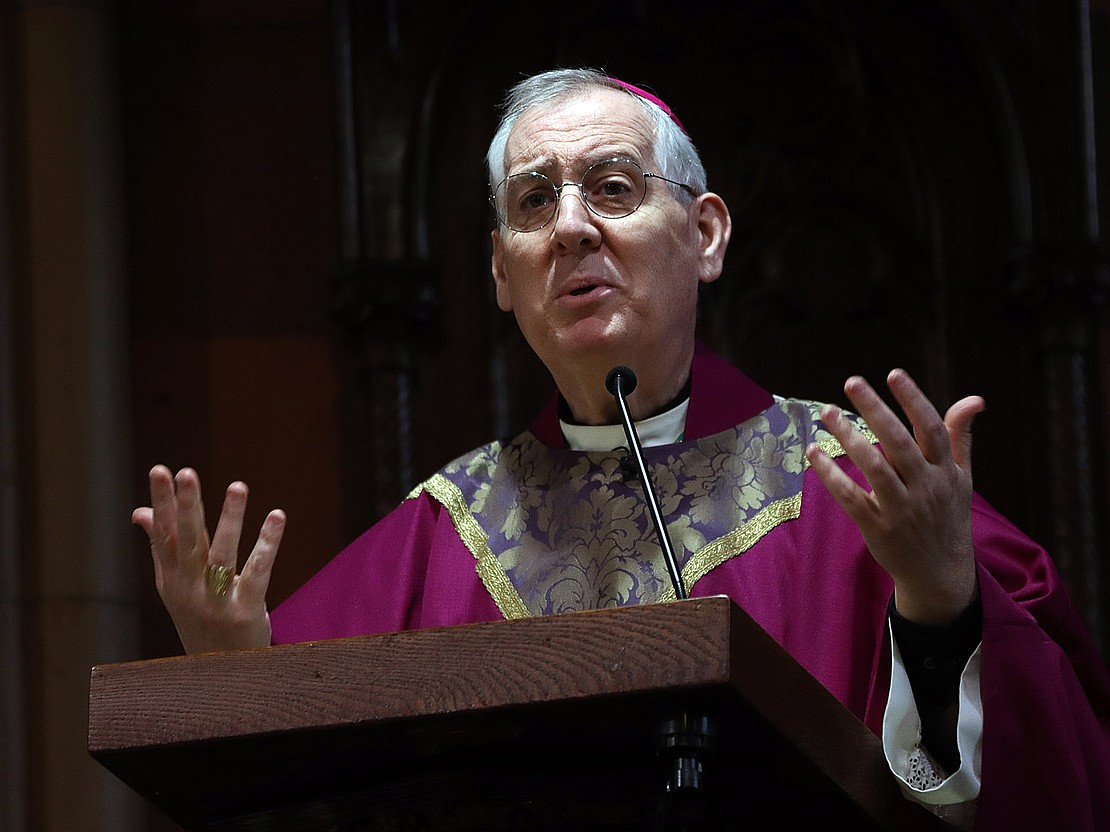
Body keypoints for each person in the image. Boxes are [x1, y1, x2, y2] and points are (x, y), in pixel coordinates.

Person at [133, 68, 1110, 830]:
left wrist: (941, 599)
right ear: (501, 277)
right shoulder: (444, 529)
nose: (568, 228)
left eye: (610, 187)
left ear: (708, 232)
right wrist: (242, 681)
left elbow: (1044, 784)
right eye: (530, 204)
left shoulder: (859, 480)